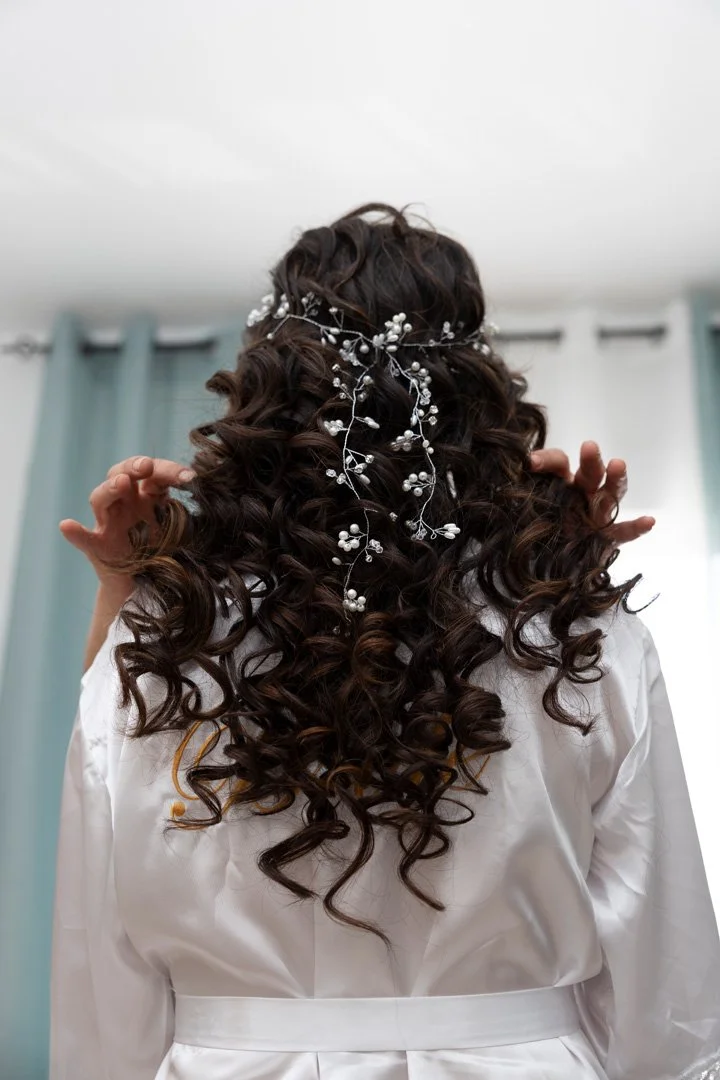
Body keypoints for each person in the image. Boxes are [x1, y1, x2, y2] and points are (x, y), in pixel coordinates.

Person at [50, 204, 720, 1080]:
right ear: (477, 398)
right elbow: (664, 984)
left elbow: (103, 978)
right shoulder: (573, 628)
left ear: (265, 394)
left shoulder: (160, 633)